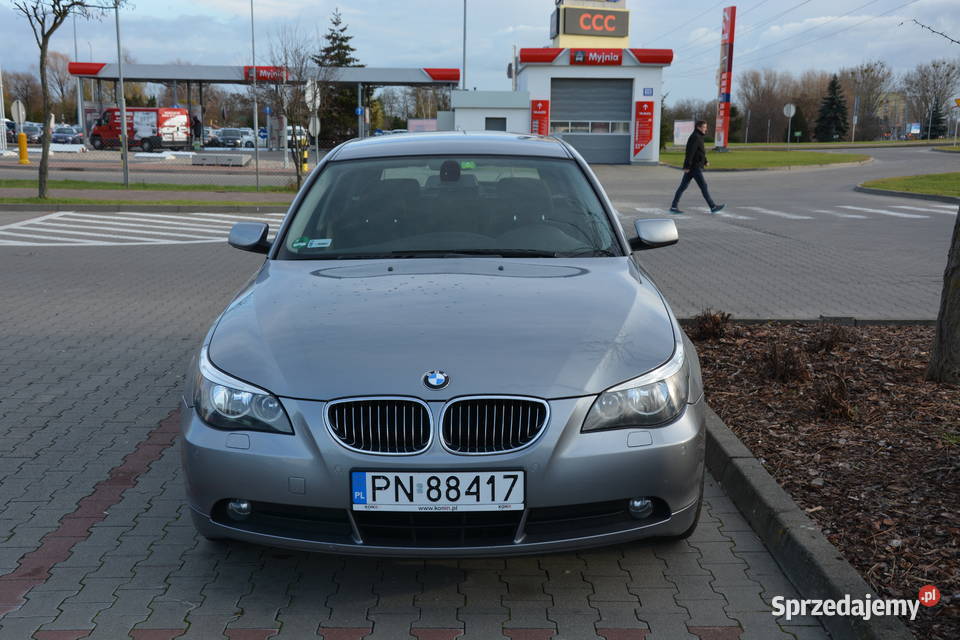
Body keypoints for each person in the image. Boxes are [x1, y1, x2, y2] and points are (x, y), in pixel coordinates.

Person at [670, 120, 724, 214]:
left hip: (693, 167)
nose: (706, 129)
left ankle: (674, 206)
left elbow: (699, 152)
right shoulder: (695, 137)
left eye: (706, 127)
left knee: (683, 187)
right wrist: (687, 166)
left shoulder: (698, 136)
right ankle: (713, 206)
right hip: (694, 167)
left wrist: (705, 161)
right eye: (704, 127)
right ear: (698, 127)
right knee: (703, 186)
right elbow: (690, 153)